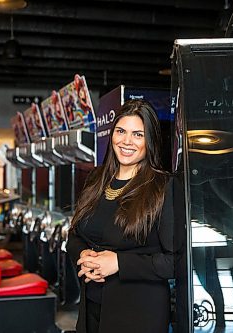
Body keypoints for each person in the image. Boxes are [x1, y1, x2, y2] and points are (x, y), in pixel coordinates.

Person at [67, 99, 181, 333]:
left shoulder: (163, 187)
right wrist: (83, 254)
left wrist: (119, 263)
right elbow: (75, 234)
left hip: (138, 313)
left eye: (138, 134)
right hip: (91, 309)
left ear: (150, 140)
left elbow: (175, 261)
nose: (127, 141)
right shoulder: (96, 180)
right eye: (121, 131)